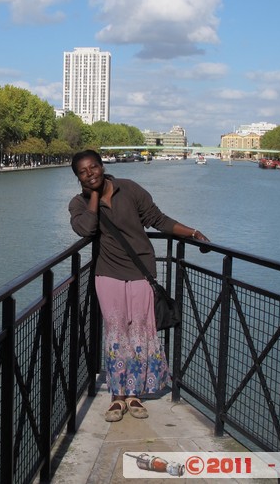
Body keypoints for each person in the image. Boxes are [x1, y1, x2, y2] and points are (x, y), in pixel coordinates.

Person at [68, 149, 210, 422]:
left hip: (141, 271)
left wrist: (192, 232)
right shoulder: (78, 203)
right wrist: (94, 196)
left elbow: (158, 219)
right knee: (115, 333)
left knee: (140, 333)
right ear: (78, 177)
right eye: (83, 172)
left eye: (93, 167)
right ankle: (117, 396)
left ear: (102, 166)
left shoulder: (130, 189)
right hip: (108, 274)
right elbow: (86, 229)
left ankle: (134, 394)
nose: (90, 174)